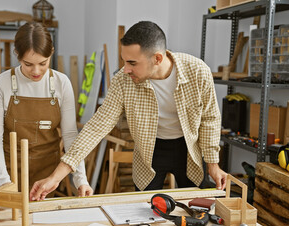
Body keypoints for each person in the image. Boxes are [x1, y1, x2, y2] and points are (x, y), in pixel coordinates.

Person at [30, 21, 227, 201]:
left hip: (188, 150)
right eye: (124, 61)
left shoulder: (198, 71)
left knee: (195, 208)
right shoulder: (123, 81)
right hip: (150, 152)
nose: (125, 69)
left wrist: (213, 164)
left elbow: (209, 118)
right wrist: (56, 177)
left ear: (157, 58)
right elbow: (96, 127)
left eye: (132, 63)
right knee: (146, 212)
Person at [0, 22, 93, 197]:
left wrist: (81, 179)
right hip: (9, 170)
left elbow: (70, 135)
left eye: (43, 63)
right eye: (28, 64)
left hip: (48, 175)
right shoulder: (0, 85)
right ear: (17, 56)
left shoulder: (62, 83)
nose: (36, 71)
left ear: (51, 53)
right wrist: (3, 182)